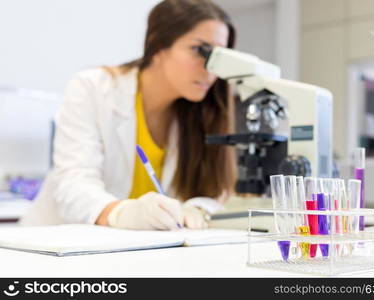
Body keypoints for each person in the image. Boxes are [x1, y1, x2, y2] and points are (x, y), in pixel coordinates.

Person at [19, 0, 237, 230]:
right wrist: (121, 213)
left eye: (218, 56)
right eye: (199, 50)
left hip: (137, 253)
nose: (209, 68)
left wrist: (199, 208)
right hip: (58, 246)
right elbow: (73, 184)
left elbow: (216, 190)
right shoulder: (93, 88)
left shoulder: (201, 112)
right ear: (158, 45)